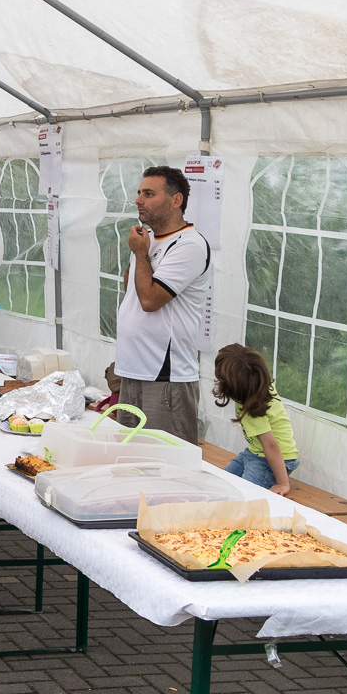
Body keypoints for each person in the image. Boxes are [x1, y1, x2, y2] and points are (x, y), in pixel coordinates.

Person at [113, 165, 211, 443]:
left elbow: (149, 300)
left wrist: (141, 255)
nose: (138, 200)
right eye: (138, 193)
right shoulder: (148, 239)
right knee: (129, 457)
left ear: (176, 200)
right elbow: (132, 291)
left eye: (148, 193)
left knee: (165, 465)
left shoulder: (189, 245)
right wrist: (140, 253)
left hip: (166, 378)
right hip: (132, 370)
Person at [212, 343, 298, 496]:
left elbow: (271, 446)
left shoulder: (252, 408)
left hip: (273, 460)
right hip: (254, 453)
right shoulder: (259, 385)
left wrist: (282, 483)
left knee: (242, 494)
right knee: (220, 482)